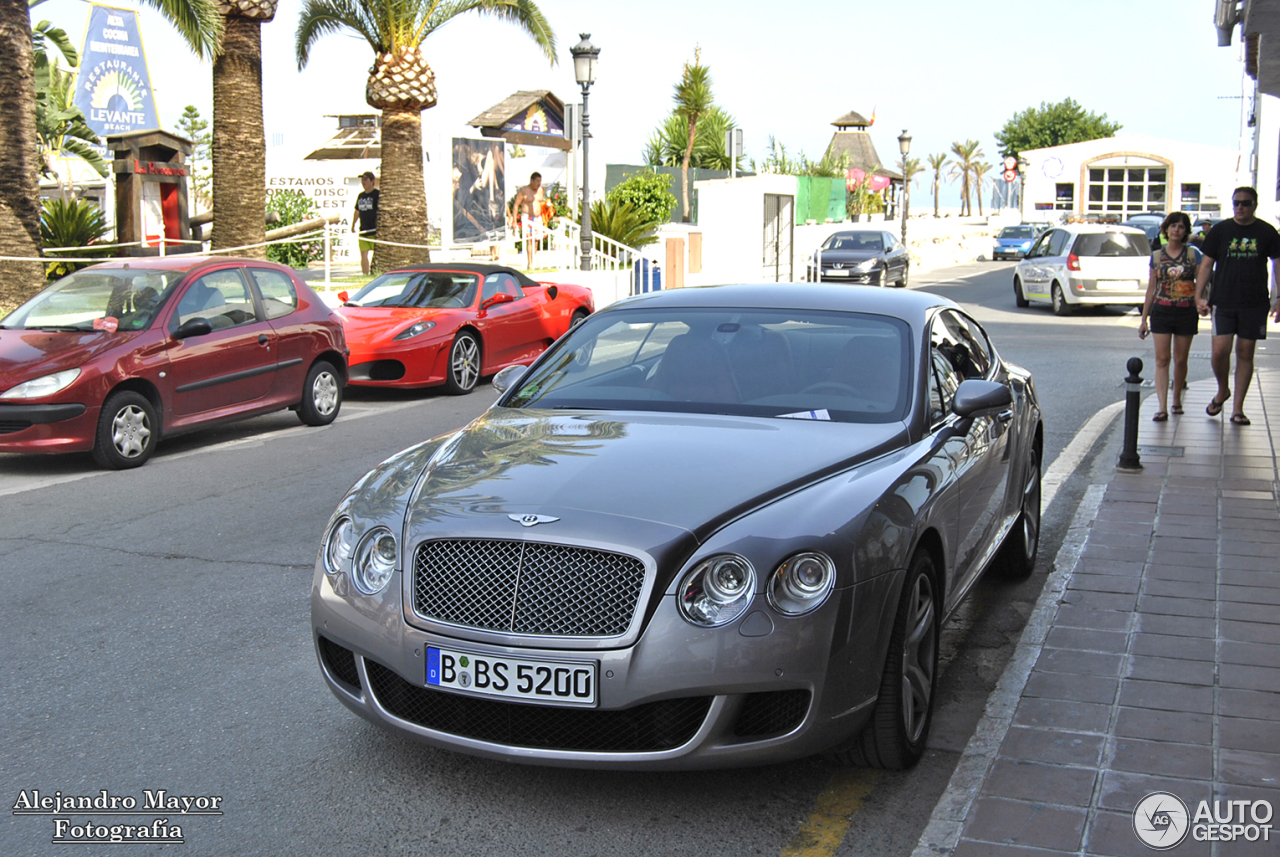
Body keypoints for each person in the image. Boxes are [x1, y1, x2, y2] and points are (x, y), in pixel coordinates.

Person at [1194, 186, 1280, 425]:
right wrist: (1198, 296)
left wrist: (1279, 297)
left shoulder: (1267, 232)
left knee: (1245, 353)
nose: (1240, 207)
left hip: (1254, 302)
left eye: (1245, 203)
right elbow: (1206, 265)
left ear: (1255, 205)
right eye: (1236, 203)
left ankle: (1238, 409)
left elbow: (1277, 265)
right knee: (1220, 352)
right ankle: (1223, 390)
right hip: (1223, 300)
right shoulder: (1221, 230)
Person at [1139, 212, 1200, 421]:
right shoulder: (1157, 256)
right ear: (1166, 229)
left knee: (1181, 359)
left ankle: (1177, 399)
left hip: (1186, 311)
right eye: (1173, 226)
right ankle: (1162, 406)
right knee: (1162, 359)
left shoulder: (1193, 255)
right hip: (1162, 311)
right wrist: (1143, 319)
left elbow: (1201, 283)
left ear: (1185, 231)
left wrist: (1202, 301)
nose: (1176, 230)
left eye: (1181, 227)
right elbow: (1151, 288)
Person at [509, 172, 543, 269]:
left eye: (540, 181)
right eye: (537, 181)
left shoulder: (540, 190)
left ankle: (533, 259)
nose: (539, 183)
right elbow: (516, 205)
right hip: (527, 217)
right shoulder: (524, 191)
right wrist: (514, 220)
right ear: (532, 180)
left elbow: (541, 204)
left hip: (537, 217)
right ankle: (530, 263)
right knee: (530, 240)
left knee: (536, 241)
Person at [352, 171, 379, 275]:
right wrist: (353, 224)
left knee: (376, 253)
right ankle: (365, 274)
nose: (363, 182)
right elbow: (357, 211)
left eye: (366, 179)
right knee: (363, 254)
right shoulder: (361, 196)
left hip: (374, 229)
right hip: (363, 229)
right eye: (362, 180)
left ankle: (375, 272)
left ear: (372, 181)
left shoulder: (377, 194)